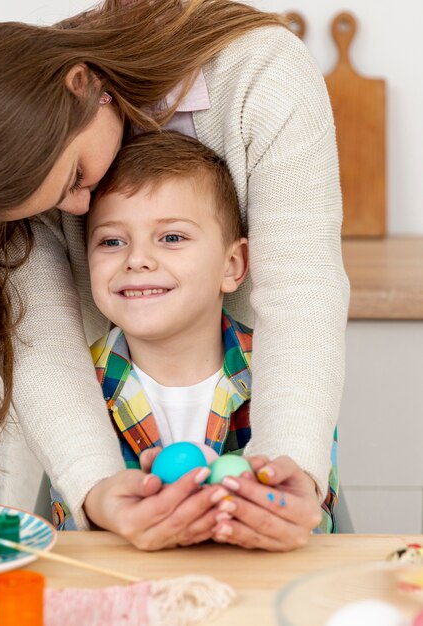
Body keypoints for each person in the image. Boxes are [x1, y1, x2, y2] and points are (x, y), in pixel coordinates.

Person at [0, 0, 349, 552]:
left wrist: (294, 467)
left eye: (75, 175)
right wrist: (94, 487)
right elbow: (42, 338)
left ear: (81, 85)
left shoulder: (261, 71)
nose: (76, 207)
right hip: (97, 438)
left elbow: (302, 290)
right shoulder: (2, 151)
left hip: (269, 412)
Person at [49, 131, 337, 547]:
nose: (138, 259)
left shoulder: (286, 378)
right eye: (112, 241)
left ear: (232, 264)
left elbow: (317, 523)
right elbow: (70, 530)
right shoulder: (76, 389)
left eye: (172, 237)